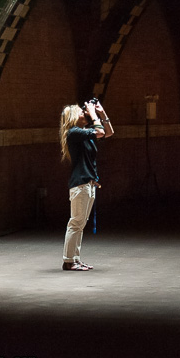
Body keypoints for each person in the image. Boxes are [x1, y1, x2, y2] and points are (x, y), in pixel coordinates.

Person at [59, 99, 114, 271]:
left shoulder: (83, 133)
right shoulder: (73, 132)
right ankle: (68, 260)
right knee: (75, 222)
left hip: (89, 182)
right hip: (80, 183)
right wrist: (92, 113)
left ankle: (75, 258)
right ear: (74, 117)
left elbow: (108, 132)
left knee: (81, 223)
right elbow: (99, 131)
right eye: (81, 112)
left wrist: (101, 112)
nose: (84, 113)